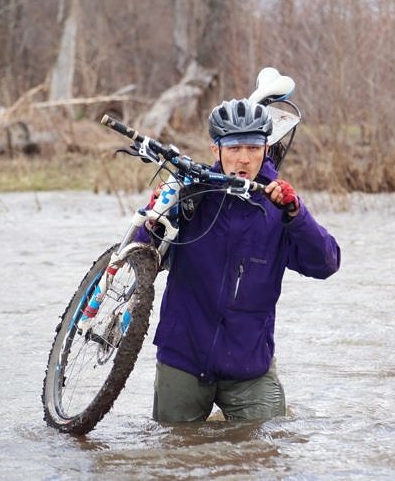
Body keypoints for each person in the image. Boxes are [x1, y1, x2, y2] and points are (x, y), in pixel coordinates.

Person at [138, 98, 340, 423]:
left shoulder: (279, 206)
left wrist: (296, 214)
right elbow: (142, 255)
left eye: (252, 148)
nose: (243, 158)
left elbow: (327, 263)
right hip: (184, 357)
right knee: (174, 455)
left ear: (266, 149)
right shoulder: (192, 194)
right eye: (233, 148)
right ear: (215, 150)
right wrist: (156, 215)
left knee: (264, 452)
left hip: (250, 366)